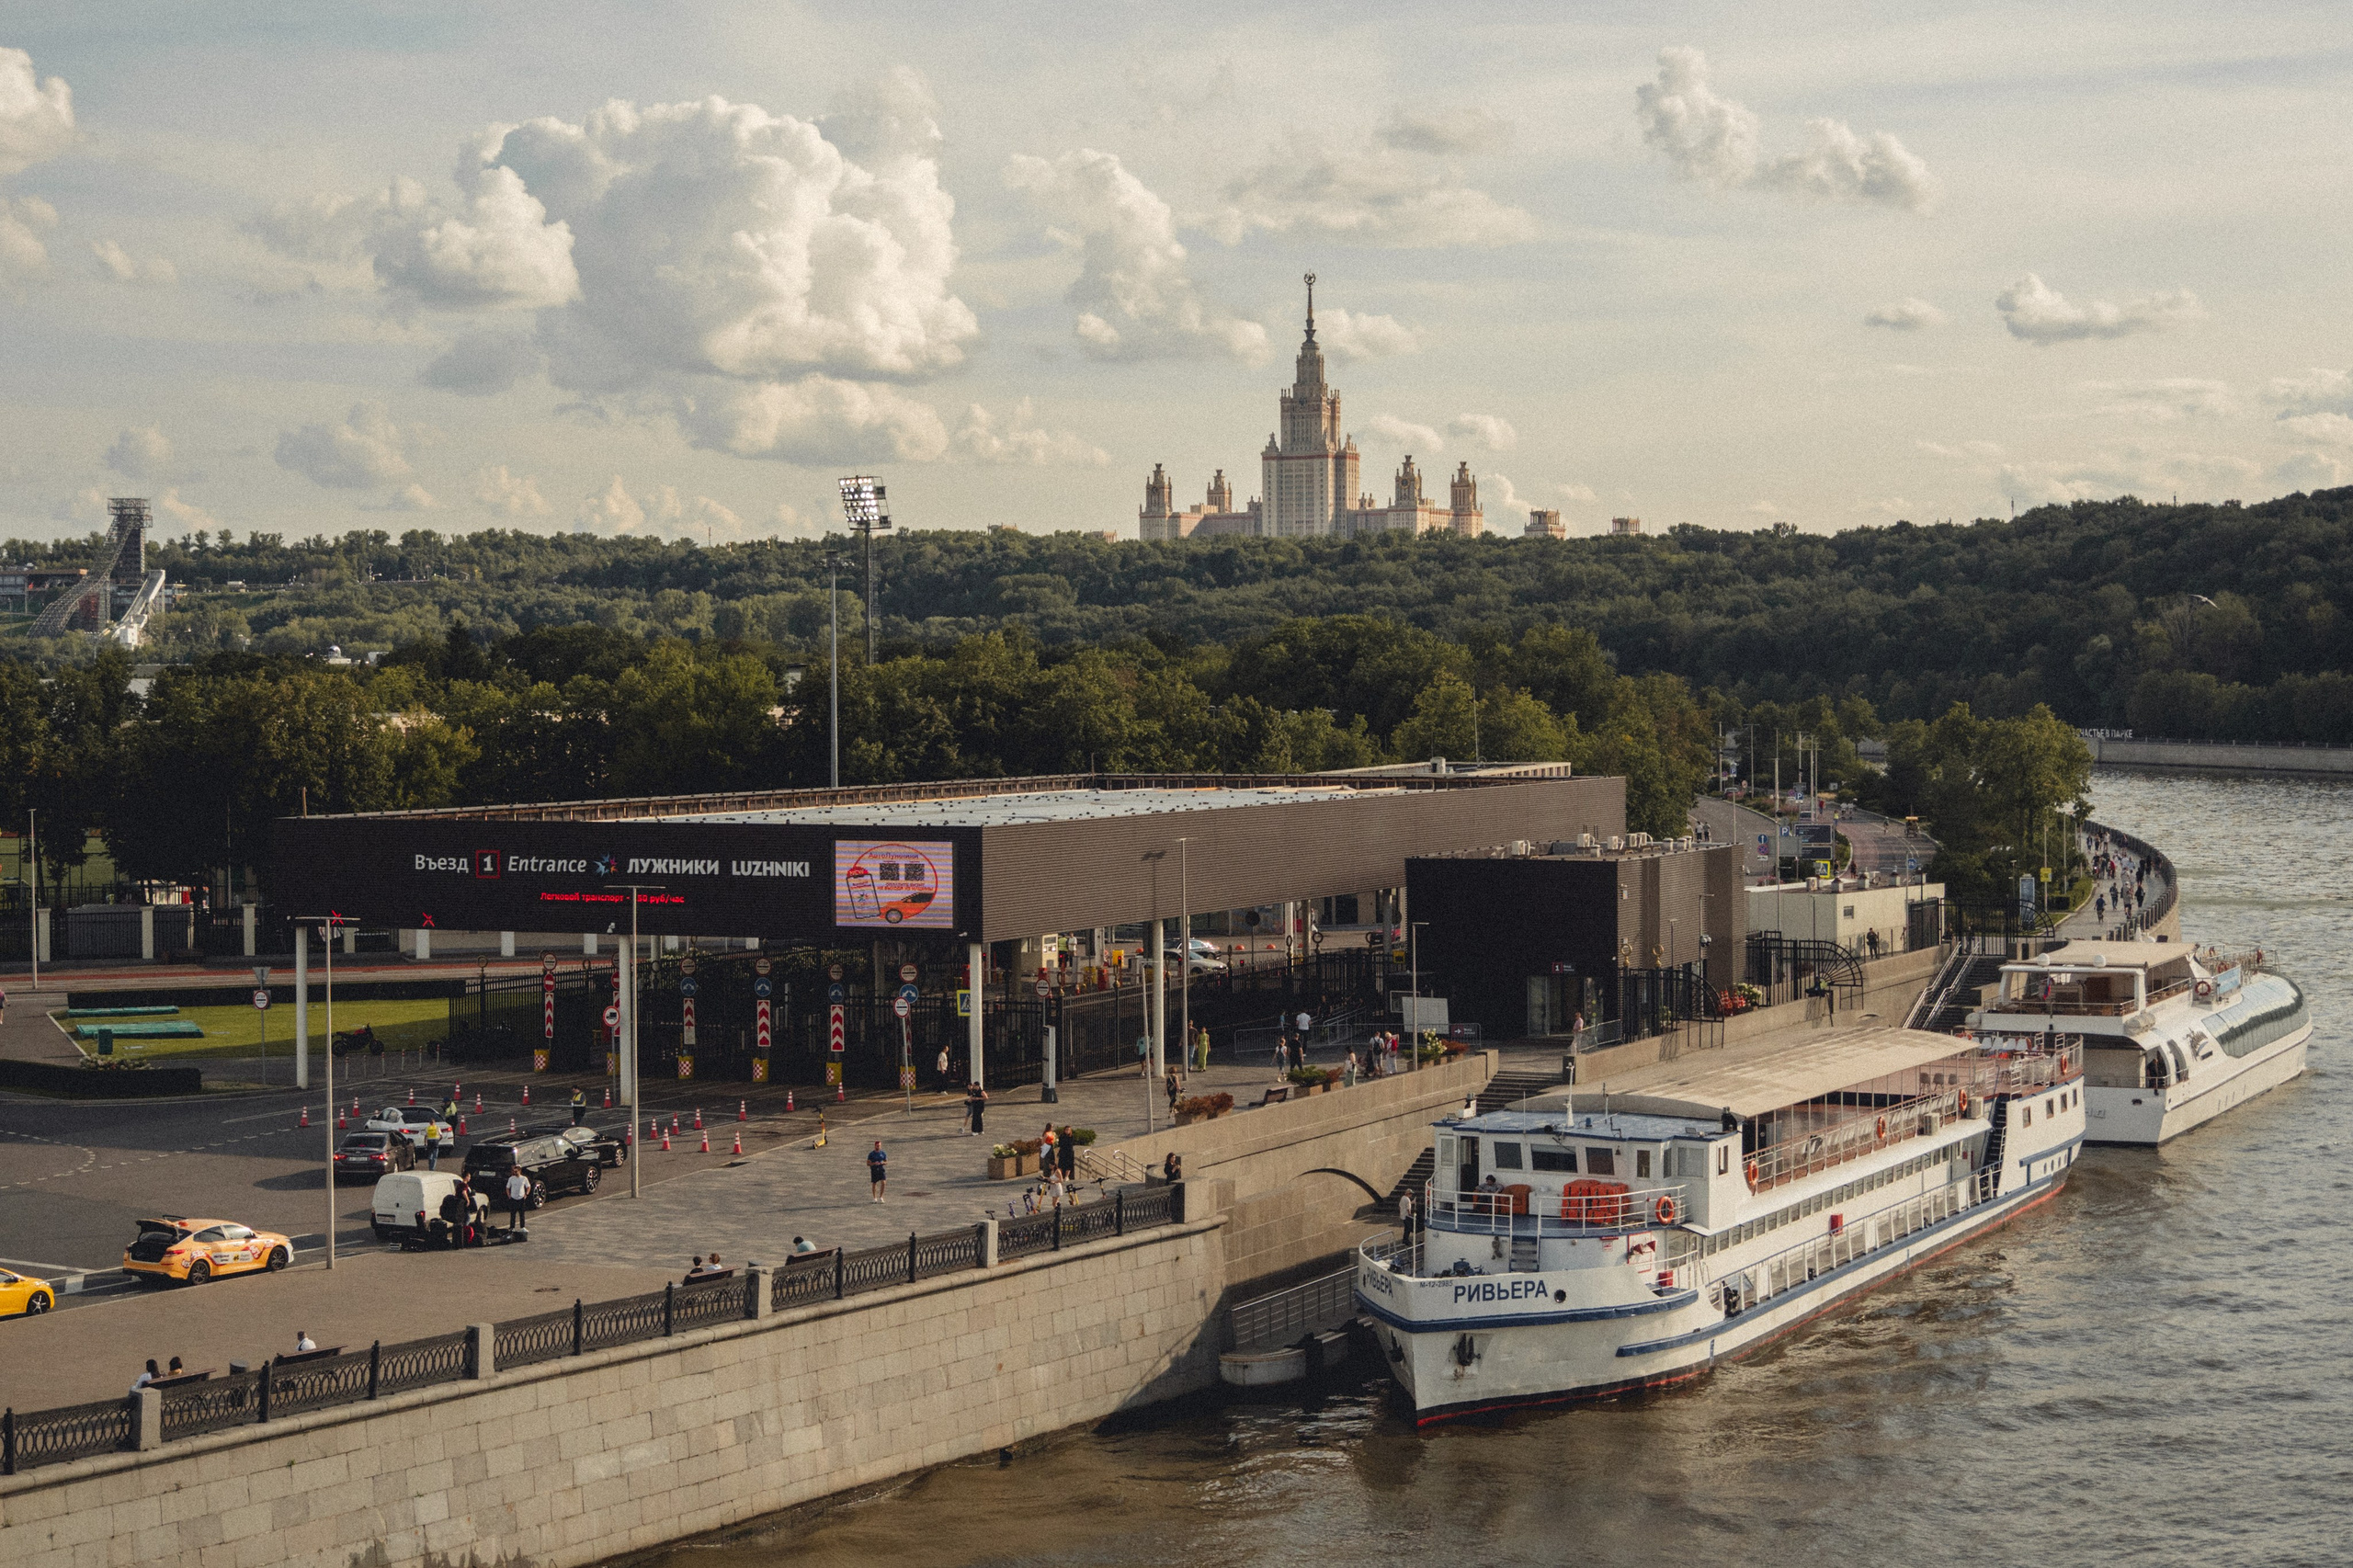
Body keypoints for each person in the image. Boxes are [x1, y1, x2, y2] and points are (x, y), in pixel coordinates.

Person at [506, 1165, 532, 1232]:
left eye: (516, 1171)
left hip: (521, 1198)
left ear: (519, 1171)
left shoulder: (524, 1178)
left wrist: (526, 1194)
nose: (515, 1173)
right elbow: (508, 1187)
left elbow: (528, 1186)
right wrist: (509, 1195)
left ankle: (522, 1227)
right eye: (514, 1171)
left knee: (522, 1214)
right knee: (513, 1214)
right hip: (513, 1198)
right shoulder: (511, 1179)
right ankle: (512, 1227)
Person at [867, 1139, 887, 1203]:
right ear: (875, 1146)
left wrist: (883, 1163)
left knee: (883, 1182)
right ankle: (874, 1198)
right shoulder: (871, 1154)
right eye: (877, 1146)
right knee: (874, 1184)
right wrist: (874, 1164)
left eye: (879, 1146)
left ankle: (881, 1197)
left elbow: (886, 1161)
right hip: (874, 1170)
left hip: (881, 1169)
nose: (878, 1147)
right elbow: (868, 1163)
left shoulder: (883, 1153)